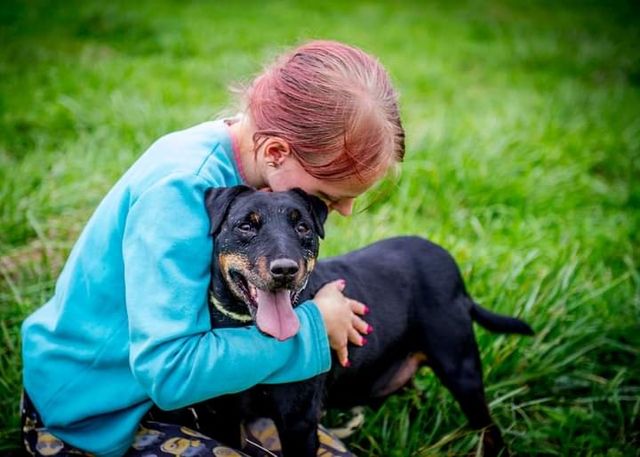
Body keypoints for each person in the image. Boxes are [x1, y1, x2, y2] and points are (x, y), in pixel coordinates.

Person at [20, 40, 405, 457]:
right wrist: (314, 327)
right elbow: (169, 373)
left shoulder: (249, 161)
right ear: (276, 152)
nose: (344, 212)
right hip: (95, 411)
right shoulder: (181, 188)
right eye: (329, 196)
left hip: (201, 390)